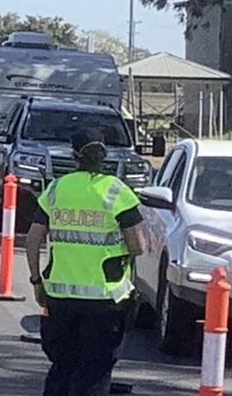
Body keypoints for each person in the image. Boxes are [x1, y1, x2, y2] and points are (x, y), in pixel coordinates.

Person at [25, 132, 145, 396]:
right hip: (106, 300)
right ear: (103, 156)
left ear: (73, 156)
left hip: (60, 298)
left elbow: (32, 240)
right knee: (95, 371)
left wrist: (36, 281)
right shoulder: (116, 191)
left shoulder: (57, 188)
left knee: (62, 366)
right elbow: (139, 246)